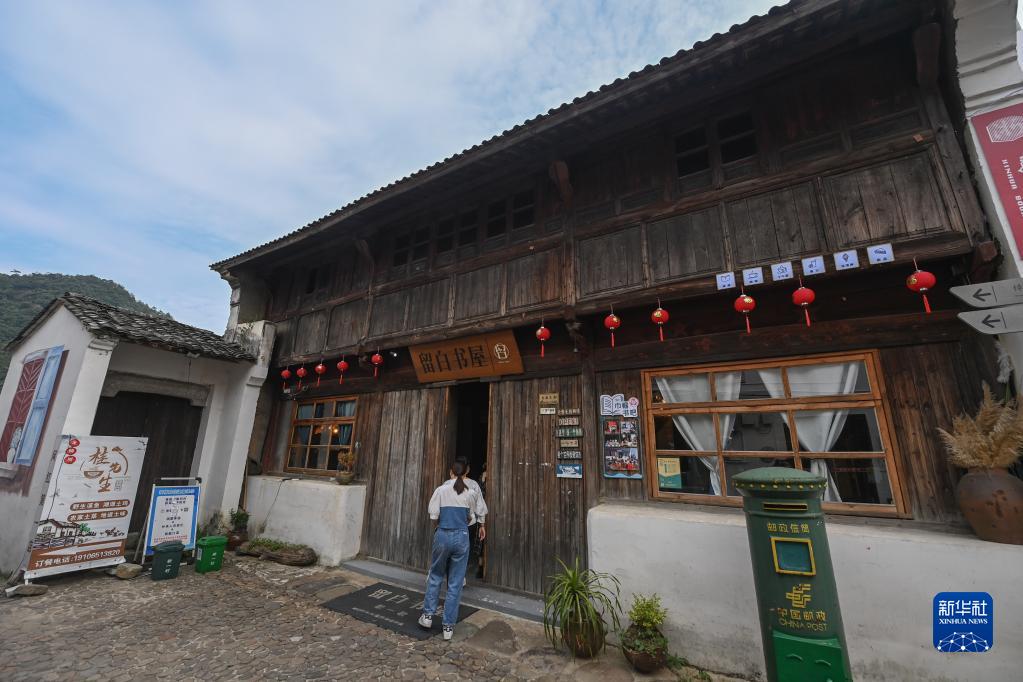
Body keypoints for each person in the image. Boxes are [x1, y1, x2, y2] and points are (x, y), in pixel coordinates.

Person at [419, 460, 486, 640]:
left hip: (443, 533)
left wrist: (440, 527)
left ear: (451, 473)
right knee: (455, 582)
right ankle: (448, 627)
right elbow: (471, 517)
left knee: (436, 575)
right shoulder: (470, 493)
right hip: (462, 536)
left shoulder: (441, 490)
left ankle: (427, 616)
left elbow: (433, 514)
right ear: (465, 474)